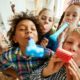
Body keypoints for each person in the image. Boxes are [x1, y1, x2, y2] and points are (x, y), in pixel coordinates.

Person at [0, 11, 54, 80]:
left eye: (33, 29)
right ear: (15, 38)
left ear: (37, 37)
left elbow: (57, 59)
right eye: (22, 29)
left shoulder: (45, 53)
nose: (29, 31)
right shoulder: (10, 55)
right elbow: (1, 65)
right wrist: (17, 75)